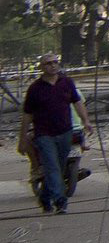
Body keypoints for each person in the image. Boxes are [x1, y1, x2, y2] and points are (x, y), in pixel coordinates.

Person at [20, 56, 83, 215]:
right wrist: (22, 139)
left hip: (65, 132)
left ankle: (44, 196)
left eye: (55, 62)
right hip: (44, 134)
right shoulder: (35, 88)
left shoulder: (67, 83)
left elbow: (77, 102)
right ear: (42, 67)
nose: (53, 66)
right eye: (49, 63)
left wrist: (86, 121)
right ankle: (60, 201)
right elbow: (27, 115)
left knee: (58, 167)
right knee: (52, 167)